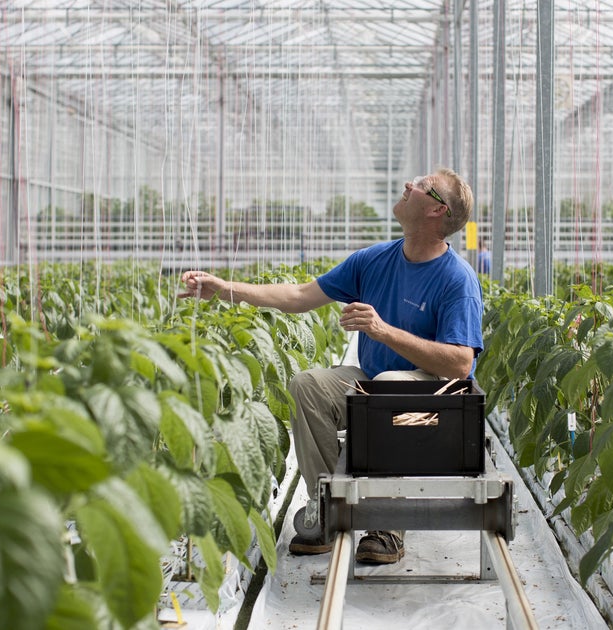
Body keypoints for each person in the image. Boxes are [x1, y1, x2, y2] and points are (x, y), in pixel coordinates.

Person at [178, 168, 483, 565]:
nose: (409, 185)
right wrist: (226, 290)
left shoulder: (456, 279)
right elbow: (299, 295)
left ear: (436, 210)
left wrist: (383, 331)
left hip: (433, 410)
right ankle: (327, 507)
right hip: (375, 386)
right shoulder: (374, 260)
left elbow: (460, 364)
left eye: (422, 185)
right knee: (308, 385)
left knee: (389, 383)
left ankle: (386, 523)